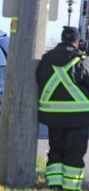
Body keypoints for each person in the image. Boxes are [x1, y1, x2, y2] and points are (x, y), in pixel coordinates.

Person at [36, 26, 89, 191]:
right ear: (77, 41)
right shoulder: (81, 60)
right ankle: (71, 187)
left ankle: (54, 185)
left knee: (55, 150)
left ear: (62, 39)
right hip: (77, 118)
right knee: (74, 152)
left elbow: (39, 79)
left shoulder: (47, 58)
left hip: (53, 115)